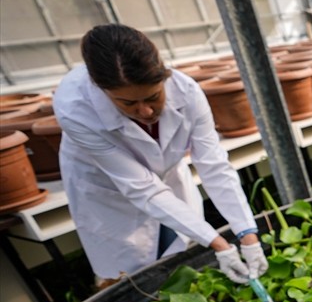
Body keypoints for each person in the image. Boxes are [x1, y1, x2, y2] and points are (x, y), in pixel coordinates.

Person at [52, 24, 266, 287]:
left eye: (153, 97)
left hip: (166, 172)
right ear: (101, 89)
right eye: (128, 103)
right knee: (124, 275)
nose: (145, 111)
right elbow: (143, 188)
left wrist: (248, 234)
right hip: (107, 190)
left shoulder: (187, 92)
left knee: (182, 248)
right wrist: (220, 244)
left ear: (164, 77)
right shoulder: (75, 110)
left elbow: (214, 165)